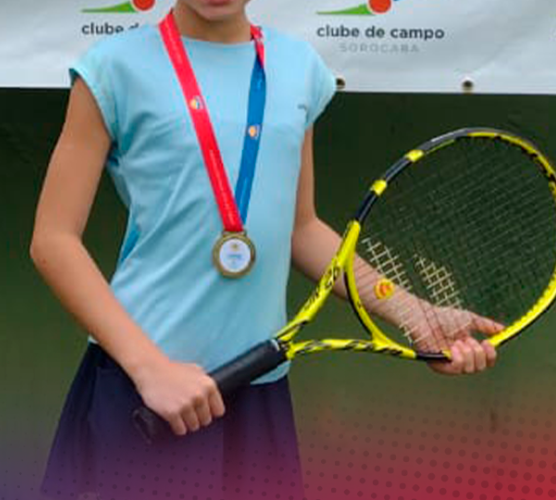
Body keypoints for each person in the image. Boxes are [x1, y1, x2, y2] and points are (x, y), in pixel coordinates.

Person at [30, 1, 499, 499]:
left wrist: (413, 313)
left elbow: (302, 229)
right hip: (144, 394)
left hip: (258, 392)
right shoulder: (113, 67)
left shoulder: (297, 68)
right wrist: (150, 370)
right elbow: (53, 240)